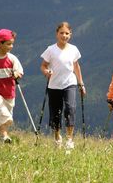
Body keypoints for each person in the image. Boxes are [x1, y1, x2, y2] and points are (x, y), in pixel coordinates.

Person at [40, 21, 86, 149]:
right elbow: (43, 65)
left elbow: (76, 66)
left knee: (70, 109)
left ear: (70, 34)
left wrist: (81, 83)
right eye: (61, 33)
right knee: (56, 112)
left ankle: (69, 140)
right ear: (57, 34)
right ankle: (57, 138)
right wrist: (46, 72)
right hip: (54, 85)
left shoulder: (74, 49)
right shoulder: (51, 49)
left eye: (67, 33)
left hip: (69, 83)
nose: (64, 36)